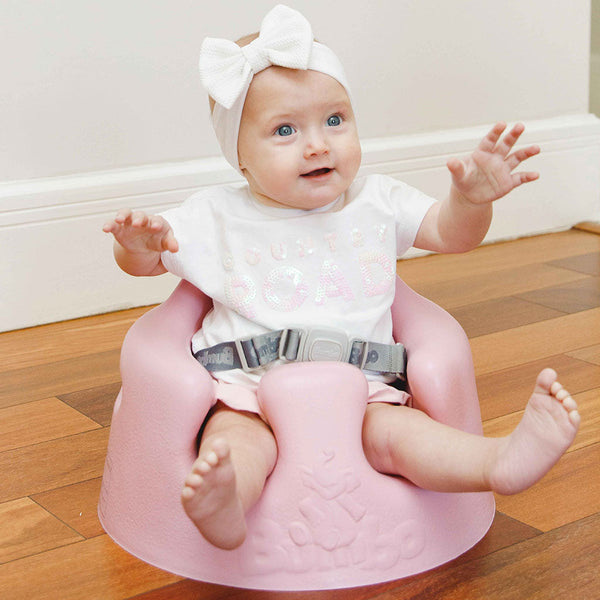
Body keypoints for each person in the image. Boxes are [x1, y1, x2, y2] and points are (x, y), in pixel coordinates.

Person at [103, 5, 580, 550]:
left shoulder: (376, 201)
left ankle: (496, 461)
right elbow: (147, 264)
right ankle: (225, 504)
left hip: (367, 391)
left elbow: (451, 234)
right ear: (240, 156)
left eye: (335, 120)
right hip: (245, 390)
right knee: (235, 444)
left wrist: (470, 202)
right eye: (285, 130)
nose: (318, 144)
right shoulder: (214, 214)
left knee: (405, 438)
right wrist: (135, 245)